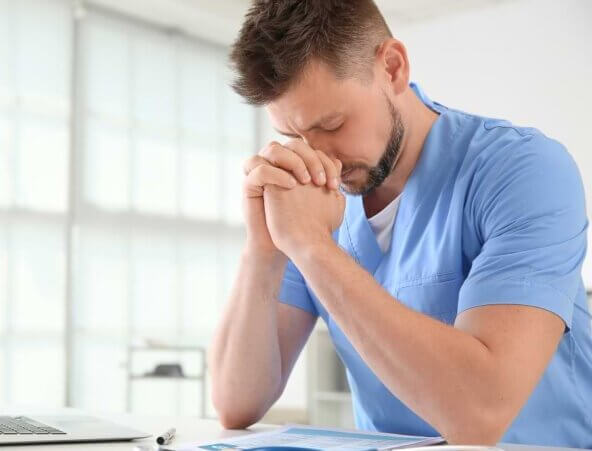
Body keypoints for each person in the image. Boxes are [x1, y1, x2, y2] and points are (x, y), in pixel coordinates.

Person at [208, 0, 592, 447]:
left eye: (333, 123)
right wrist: (265, 248)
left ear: (392, 68)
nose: (317, 160)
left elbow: (481, 414)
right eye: (294, 136)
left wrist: (314, 248)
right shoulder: (312, 202)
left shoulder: (524, 171)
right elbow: (237, 402)